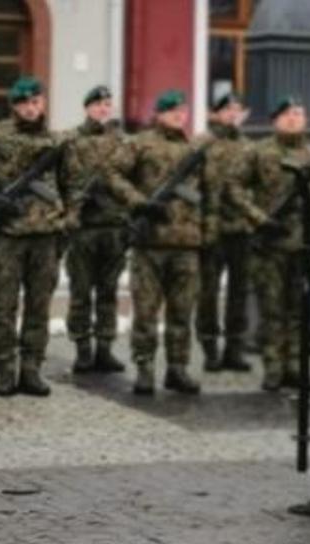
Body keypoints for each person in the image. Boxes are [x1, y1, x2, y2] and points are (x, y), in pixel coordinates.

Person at [108, 90, 207, 396]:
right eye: (172, 110)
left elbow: (208, 191)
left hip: (186, 242)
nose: (179, 115)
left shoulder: (194, 149)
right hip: (149, 243)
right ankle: (145, 368)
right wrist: (139, 203)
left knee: (181, 311)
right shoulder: (140, 143)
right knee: (146, 311)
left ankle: (177, 368)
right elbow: (110, 173)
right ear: (159, 114)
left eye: (183, 110)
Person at [0, 76, 71, 397]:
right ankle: (5, 371)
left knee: (39, 307)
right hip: (5, 238)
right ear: (14, 106)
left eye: (36, 102)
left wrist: (67, 223)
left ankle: (31, 370)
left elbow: (70, 185)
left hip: (45, 238)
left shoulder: (56, 142)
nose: (31, 108)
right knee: (3, 307)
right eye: (24, 103)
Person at [246, 96, 310, 392]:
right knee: (272, 309)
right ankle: (273, 367)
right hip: (270, 244)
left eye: (298, 113)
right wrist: (258, 219)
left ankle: (296, 367)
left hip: (304, 244)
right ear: (275, 119)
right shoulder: (259, 152)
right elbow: (233, 187)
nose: (293, 119)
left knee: (299, 311)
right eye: (287, 114)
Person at [63, 85, 130, 377]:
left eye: (107, 104)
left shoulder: (123, 142)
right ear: (87, 108)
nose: (104, 108)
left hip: (114, 228)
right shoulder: (72, 141)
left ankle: (105, 349)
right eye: (98, 104)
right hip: (84, 229)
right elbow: (65, 180)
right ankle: (83, 351)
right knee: (80, 293)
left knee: (109, 292)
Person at [196, 91, 264, 373]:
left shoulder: (250, 148)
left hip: (240, 229)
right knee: (208, 293)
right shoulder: (202, 144)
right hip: (210, 230)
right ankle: (210, 349)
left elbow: (259, 185)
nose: (232, 114)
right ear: (215, 113)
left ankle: (234, 349)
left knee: (239, 292)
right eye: (227, 109)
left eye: (237, 109)